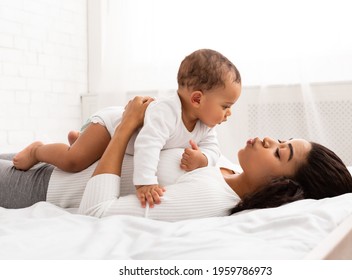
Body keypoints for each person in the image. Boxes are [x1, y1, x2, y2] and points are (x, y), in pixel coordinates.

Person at [0, 96, 352, 221]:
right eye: (281, 140)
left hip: (40, 186)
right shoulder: (222, 168)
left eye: (280, 151)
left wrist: (125, 127)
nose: (269, 139)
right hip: (48, 165)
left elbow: (97, 212)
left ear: (282, 185)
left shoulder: (210, 198)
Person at [12, 49, 242, 207]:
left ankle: (80, 138)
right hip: (111, 127)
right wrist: (145, 181)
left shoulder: (206, 125)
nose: (229, 113)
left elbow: (214, 150)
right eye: (226, 106)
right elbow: (147, 146)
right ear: (197, 99)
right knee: (75, 161)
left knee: (89, 152)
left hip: (120, 141)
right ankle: (38, 150)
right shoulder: (166, 113)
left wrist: (203, 159)